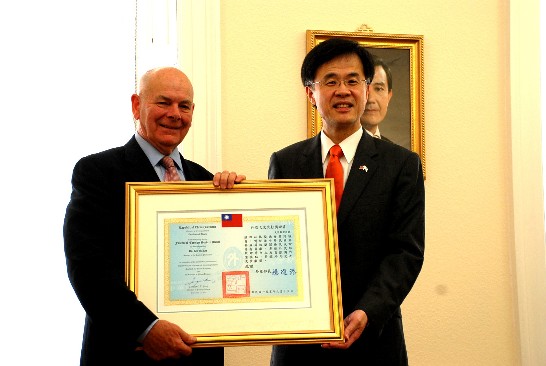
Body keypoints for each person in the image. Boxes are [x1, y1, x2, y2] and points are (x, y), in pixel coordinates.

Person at [64, 66, 245, 365]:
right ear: (137, 105)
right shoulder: (97, 172)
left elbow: (228, 262)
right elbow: (87, 267)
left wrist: (242, 206)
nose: (175, 114)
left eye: (184, 106)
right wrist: (145, 329)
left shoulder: (208, 182)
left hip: (199, 352)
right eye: (164, 102)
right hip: (125, 352)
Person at [268, 38, 425, 365]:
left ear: (367, 90)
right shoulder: (286, 162)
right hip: (300, 343)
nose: (343, 90)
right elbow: (275, 242)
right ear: (311, 93)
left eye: (353, 81)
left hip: (375, 339)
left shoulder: (401, 164)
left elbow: (406, 251)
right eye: (331, 81)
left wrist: (368, 310)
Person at [360, 56, 393, 141]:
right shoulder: (334, 149)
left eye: (378, 89)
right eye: (364, 89)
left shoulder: (395, 152)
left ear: (389, 96)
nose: (370, 99)